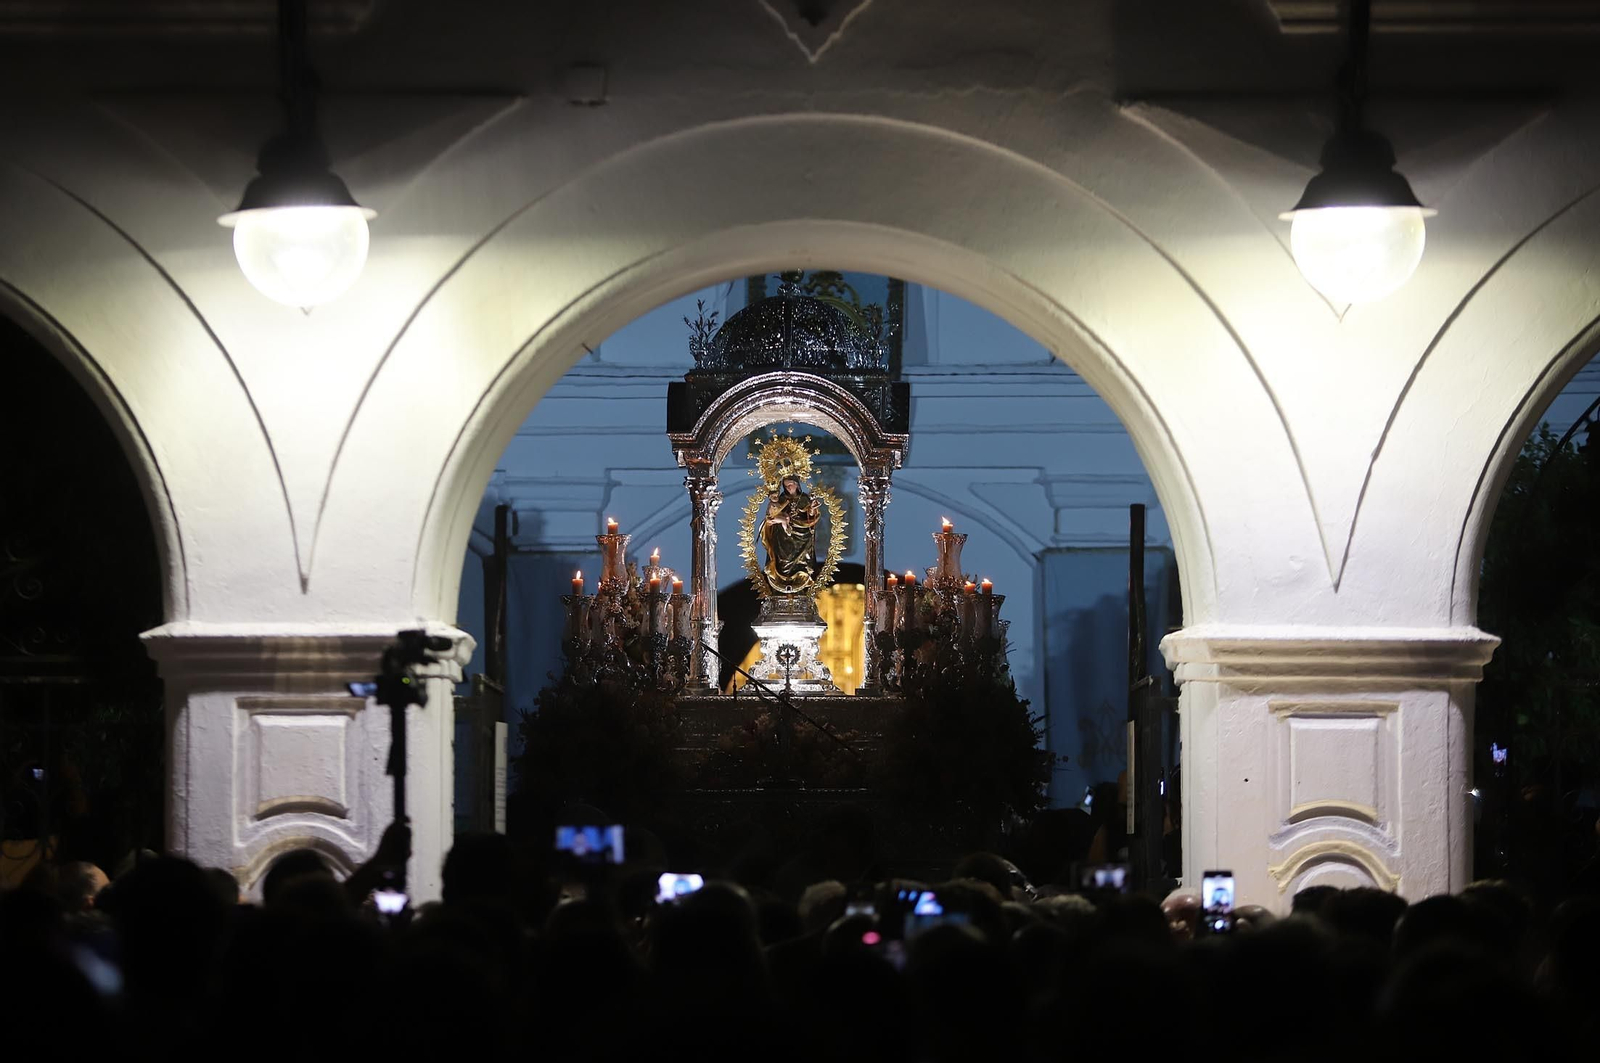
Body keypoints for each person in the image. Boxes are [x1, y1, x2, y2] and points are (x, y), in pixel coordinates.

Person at [761, 474, 821, 594]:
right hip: (783, 536)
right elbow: (771, 515)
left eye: (790, 484)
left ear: (797, 485)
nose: (788, 487)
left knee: (802, 559)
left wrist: (813, 508)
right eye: (786, 486)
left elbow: (811, 516)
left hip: (802, 533)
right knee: (784, 559)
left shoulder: (804, 498)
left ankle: (802, 577)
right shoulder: (781, 499)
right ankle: (783, 578)